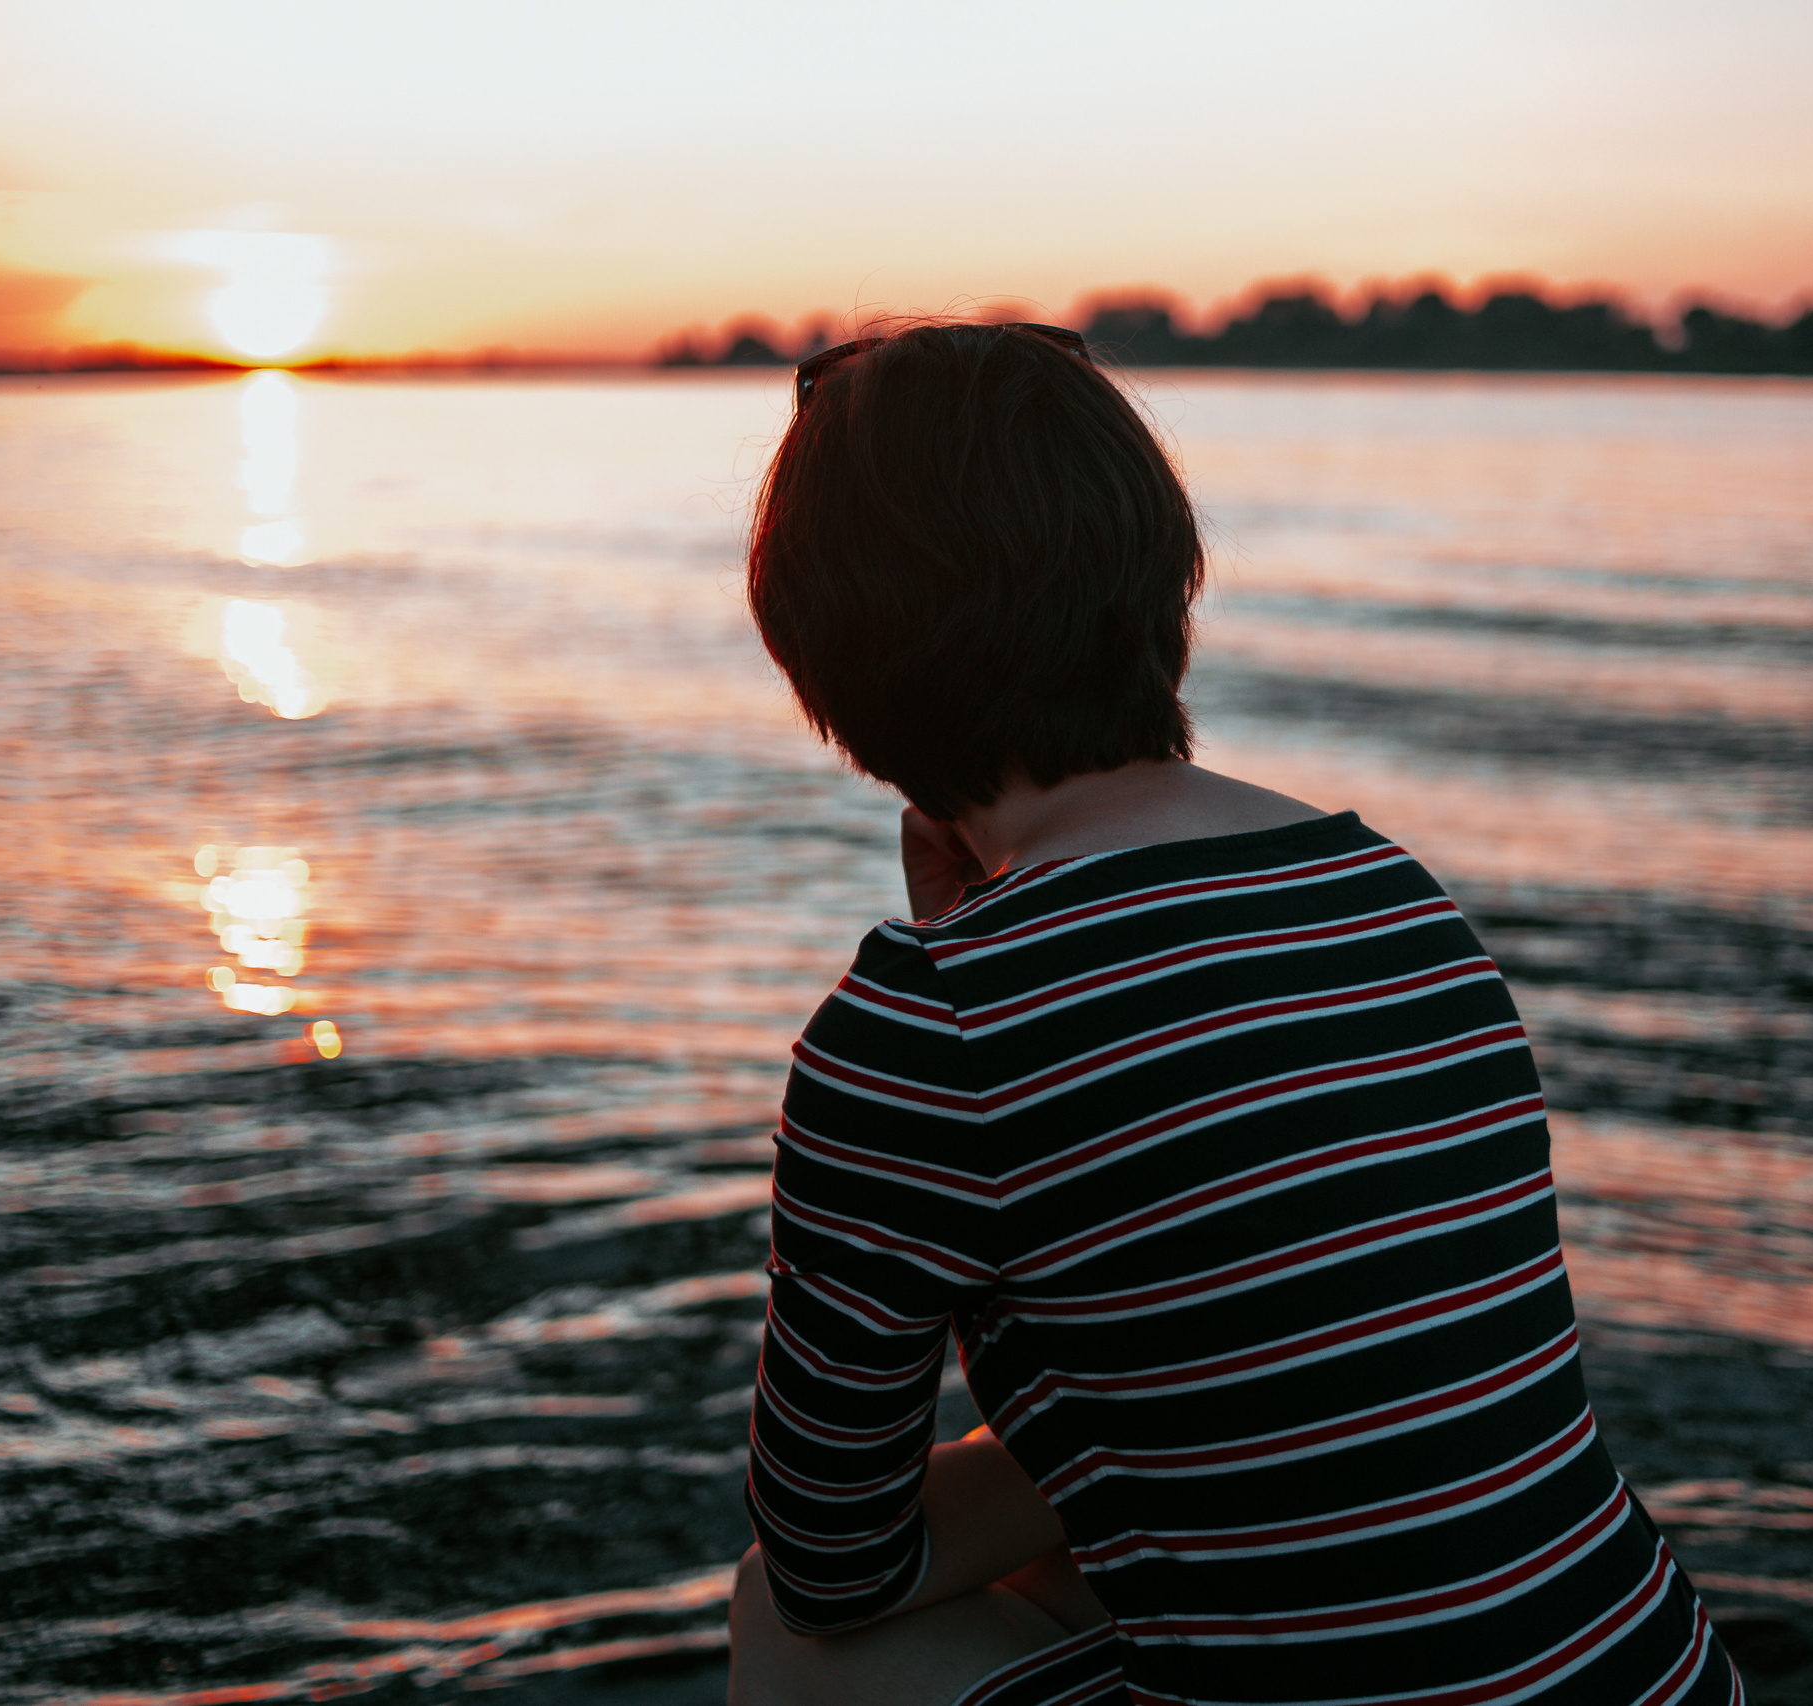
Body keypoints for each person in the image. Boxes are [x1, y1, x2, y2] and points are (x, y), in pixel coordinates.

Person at [725, 320, 1739, 1706]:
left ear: (830, 664)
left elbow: (828, 1556)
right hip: (1654, 1673)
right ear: (1155, 577)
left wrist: (950, 965)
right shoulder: (1387, 887)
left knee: (785, 1624)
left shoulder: (931, 1022)